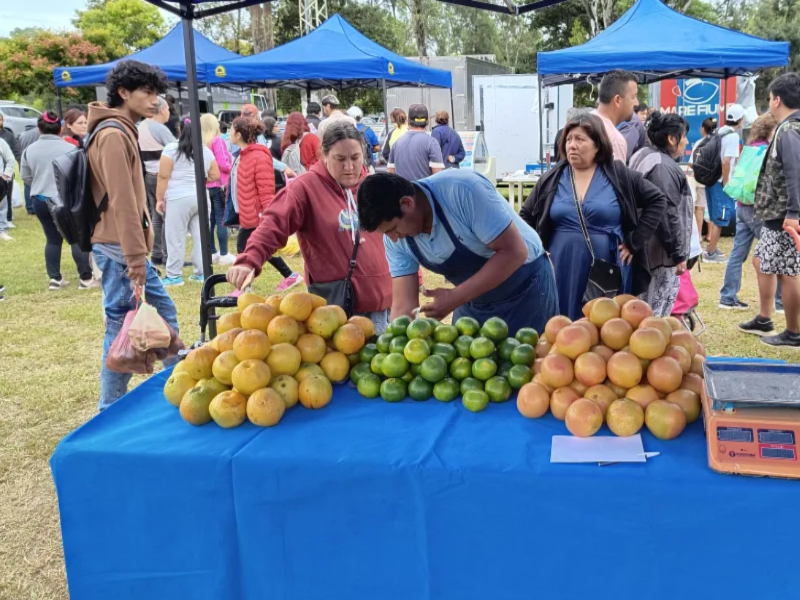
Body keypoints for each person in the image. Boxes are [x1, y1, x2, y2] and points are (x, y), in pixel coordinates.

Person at [226, 122, 392, 332]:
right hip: (333, 309)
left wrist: (413, 277)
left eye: (355, 158)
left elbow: (398, 237)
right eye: (340, 159)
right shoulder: (305, 187)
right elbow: (273, 224)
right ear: (323, 154)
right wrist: (249, 260)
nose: (349, 167)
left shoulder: (374, 186)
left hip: (383, 301)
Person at [358, 169, 558, 336]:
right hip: (471, 300)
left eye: (393, 229)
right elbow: (403, 307)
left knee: (530, 372)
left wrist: (455, 297)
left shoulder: (463, 190)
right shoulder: (394, 238)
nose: (393, 238)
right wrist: (395, 348)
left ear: (407, 203)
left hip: (526, 289)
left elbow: (514, 252)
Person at [87, 60, 179, 410]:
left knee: (147, 316)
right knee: (119, 324)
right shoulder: (113, 134)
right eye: (147, 92)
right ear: (123, 93)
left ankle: (179, 380)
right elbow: (123, 202)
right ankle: (109, 407)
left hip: (118, 245)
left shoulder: (122, 129)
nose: (155, 100)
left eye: (157, 93)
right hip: (117, 247)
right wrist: (136, 258)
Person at [520, 114, 666, 321]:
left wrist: (635, 242)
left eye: (580, 139)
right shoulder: (552, 178)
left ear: (597, 144)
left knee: (606, 327)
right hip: (562, 265)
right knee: (563, 324)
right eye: (569, 140)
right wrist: (537, 250)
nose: (572, 145)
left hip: (607, 264)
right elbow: (524, 216)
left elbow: (657, 200)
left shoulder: (619, 175)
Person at [743, 73, 800, 348]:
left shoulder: (789, 131)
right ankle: (765, 317)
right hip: (778, 213)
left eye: (769, 99)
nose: (769, 105)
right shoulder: (789, 127)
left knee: (786, 272)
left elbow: (794, 172)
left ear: (777, 99)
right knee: (761, 261)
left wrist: (794, 212)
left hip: (783, 215)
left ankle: (793, 331)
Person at [20, 111, 97, 290]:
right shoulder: (70, 149)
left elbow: (25, 176)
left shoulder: (29, 150)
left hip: (40, 199)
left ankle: (55, 279)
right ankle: (85, 278)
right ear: (60, 128)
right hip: (66, 200)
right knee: (77, 238)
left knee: (52, 239)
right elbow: (79, 177)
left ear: (39, 129)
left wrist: (40, 184)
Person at [629, 112, 691, 316]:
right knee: (652, 317)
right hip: (657, 255)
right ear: (671, 139)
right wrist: (678, 254)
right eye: (683, 136)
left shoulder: (643, 154)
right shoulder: (662, 166)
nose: (686, 141)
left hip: (645, 249)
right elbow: (667, 214)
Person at [229, 117, 301, 292]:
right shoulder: (242, 155)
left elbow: (266, 189)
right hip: (247, 212)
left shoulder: (258, 156)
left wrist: (266, 213)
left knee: (245, 248)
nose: (229, 133)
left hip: (256, 214)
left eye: (231, 130)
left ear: (238, 134)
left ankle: (244, 288)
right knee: (264, 250)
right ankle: (290, 276)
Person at [720, 113, 780, 311]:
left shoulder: (750, 148)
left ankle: (727, 297)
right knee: (774, 252)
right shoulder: (767, 151)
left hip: (742, 206)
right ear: (770, 130)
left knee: (737, 253)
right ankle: (779, 301)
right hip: (759, 208)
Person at [156, 116, 220, 286]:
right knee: (201, 236)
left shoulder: (171, 149)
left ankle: (174, 275)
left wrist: (159, 199)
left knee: (175, 237)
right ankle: (201, 272)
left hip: (177, 198)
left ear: (179, 129)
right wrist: (200, 181)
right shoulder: (205, 150)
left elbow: (163, 175)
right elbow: (216, 175)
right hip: (200, 197)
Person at [704, 104, 746, 263]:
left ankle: (711, 248)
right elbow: (726, 162)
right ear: (740, 120)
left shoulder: (719, 131)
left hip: (710, 180)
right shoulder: (733, 136)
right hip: (720, 182)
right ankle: (711, 253)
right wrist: (727, 184)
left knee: (716, 217)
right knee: (721, 218)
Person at [137, 96, 175, 267]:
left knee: (155, 215)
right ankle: (168, 256)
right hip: (163, 176)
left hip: (148, 175)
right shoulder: (159, 128)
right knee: (168, 216)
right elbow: (177, 149)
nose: (169, 112)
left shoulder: (140, 126)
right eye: (168, 108)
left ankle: (156, 253)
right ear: (161, 109)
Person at [201, 113, 234, 265]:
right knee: (221, 218)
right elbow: (223, 163)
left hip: (205, 184)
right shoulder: (217, 140)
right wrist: (232, 167)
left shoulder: (199, 142)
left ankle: (212, 252)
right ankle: (224, 253)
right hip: (219, 184)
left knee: (210, 220)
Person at [388, 104, 444, 181]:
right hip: (423, 192)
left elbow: (391, 172)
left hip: (402, 192)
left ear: (408, 121)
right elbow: (438, 178)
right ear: (428, 121)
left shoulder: (397, 143)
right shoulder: (432, 143)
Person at [593, 70, 639, 163]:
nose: (636, 103)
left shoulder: (580, 122)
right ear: (617, 100)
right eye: (633, 97)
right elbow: (615, 177)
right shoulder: (614, 140)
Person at [689, 117, 717, 243]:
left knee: (699, 208)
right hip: (714, 180)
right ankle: (710, 235)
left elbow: (691, 163)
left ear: (703, 129)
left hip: (700, 179)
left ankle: (699, 235)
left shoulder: (699, 143)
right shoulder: (718, 143)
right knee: (711, 207)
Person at [0, 112, 20, 226]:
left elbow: (13, 155)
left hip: (4, 175)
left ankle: (6, 220)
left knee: (5, 197)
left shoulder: (7, 136)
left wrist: (6, 175)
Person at [18, 125, 40, 215]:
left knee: (27, 185)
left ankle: (29, 207)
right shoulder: (37, 132)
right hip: (35, 159)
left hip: (25, 159)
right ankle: (36, 206)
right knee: (37, 183)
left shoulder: (22, 134)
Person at [0, 136, 14, 241]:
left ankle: (2, 230)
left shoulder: (1, 142)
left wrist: (5, 176)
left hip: (0, 180)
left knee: (2, 206)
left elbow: (10, 159)